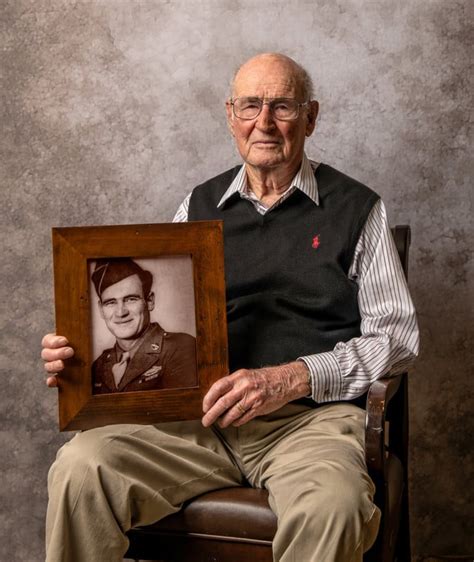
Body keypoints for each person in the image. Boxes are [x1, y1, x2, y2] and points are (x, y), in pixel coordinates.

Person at [41, 52, 419, 562]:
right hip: (202, 424)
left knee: (335, 505)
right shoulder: (197, 207)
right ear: (230, 115)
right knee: (80, 467)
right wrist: (80, 359)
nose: (264, 122)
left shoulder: (358, 208)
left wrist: (291, 378)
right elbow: (155, 323)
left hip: (310, 424)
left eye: (282, 106)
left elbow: (396, 340)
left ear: (310, 117)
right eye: (250, 105)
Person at [90, 258, 197, 393]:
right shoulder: (98, 366)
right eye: (110, 302)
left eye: (131, 299)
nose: (121, 312)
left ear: (149, 301)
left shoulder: (180, 348)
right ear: (101, 309)